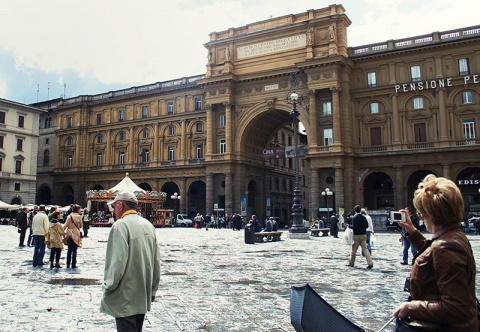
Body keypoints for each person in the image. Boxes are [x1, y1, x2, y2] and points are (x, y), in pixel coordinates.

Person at [393, 175, 478, 331]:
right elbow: (432, 256)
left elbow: (456, 308)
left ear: (432, 215)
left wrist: (412, 307)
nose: (421, 217)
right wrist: (412, 231)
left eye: (421, 214)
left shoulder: (447, 246)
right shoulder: (452, 235)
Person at [100, 190, 161, 332]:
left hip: (125, 293)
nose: (113, 210)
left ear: (121, 205)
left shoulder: (120, 225)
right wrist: (153, 289)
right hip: (142, 293)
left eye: (114, 206)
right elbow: (156, 259)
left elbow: (117, 262)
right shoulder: (148, 225)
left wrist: (108, 286)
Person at [63, 204, 83, 269]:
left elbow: (65, 225)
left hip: (69, 234)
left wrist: (61, 231)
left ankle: (68, 264)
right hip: (76, 234)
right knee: (74, 250)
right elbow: (81, 225)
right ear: (77, 210)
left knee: (69, 250)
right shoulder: (79, 216)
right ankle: (73, 264)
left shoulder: (69, 216)